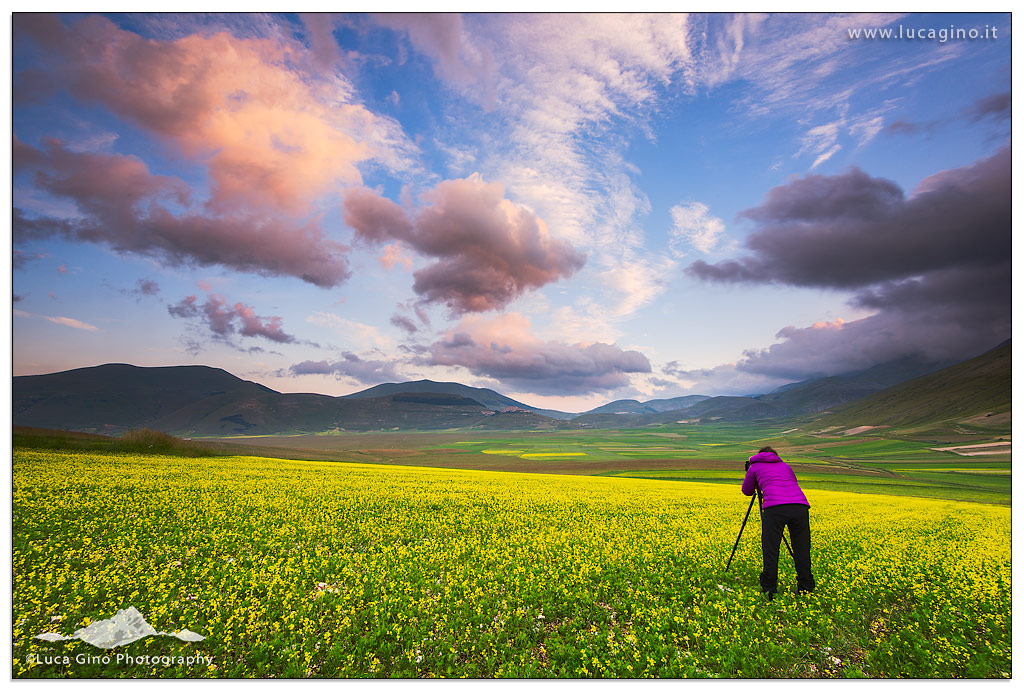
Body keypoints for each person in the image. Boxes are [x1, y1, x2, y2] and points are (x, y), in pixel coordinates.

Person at [741, 445, 815, 600]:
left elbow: (747, 491)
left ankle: (769, 589)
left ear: (759, 455)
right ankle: (806, 587)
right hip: (800, 506)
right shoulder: (785, 466)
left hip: (775, 508)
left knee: (771, 549)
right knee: (802, 548)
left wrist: (752, 476)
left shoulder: (755, 467)